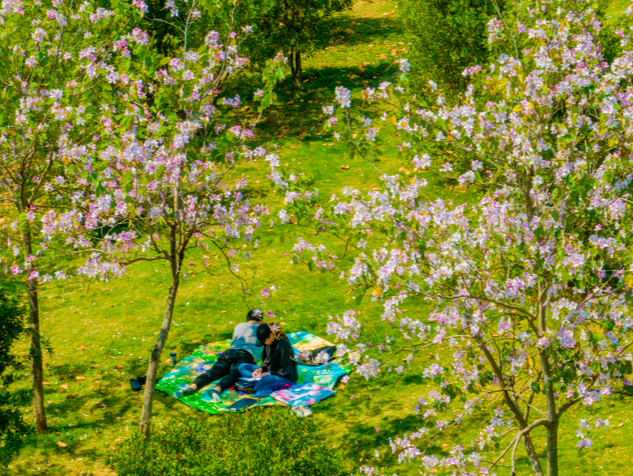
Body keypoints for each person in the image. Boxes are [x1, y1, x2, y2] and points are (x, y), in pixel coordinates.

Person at [173, 309, 264, 402]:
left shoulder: (239, 326)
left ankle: (191, 388)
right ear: (261, 321)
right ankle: (217, 390)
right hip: (245, 355)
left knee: (212, 372)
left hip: (229, 352)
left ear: (248, 318)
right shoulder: (262, 330)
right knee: (233, 375)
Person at [237, 322, 298, 397]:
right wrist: (261, 368)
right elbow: (268, 358)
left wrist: (270, 374)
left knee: (267, 379)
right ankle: (258, 382)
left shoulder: (284, 346)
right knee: (243, 367)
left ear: (270, 335)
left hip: (285, 378)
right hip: (272, 371)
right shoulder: (269, 342)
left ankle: (253, 388)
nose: (264, 343)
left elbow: (286, 370)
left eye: (264, 341)